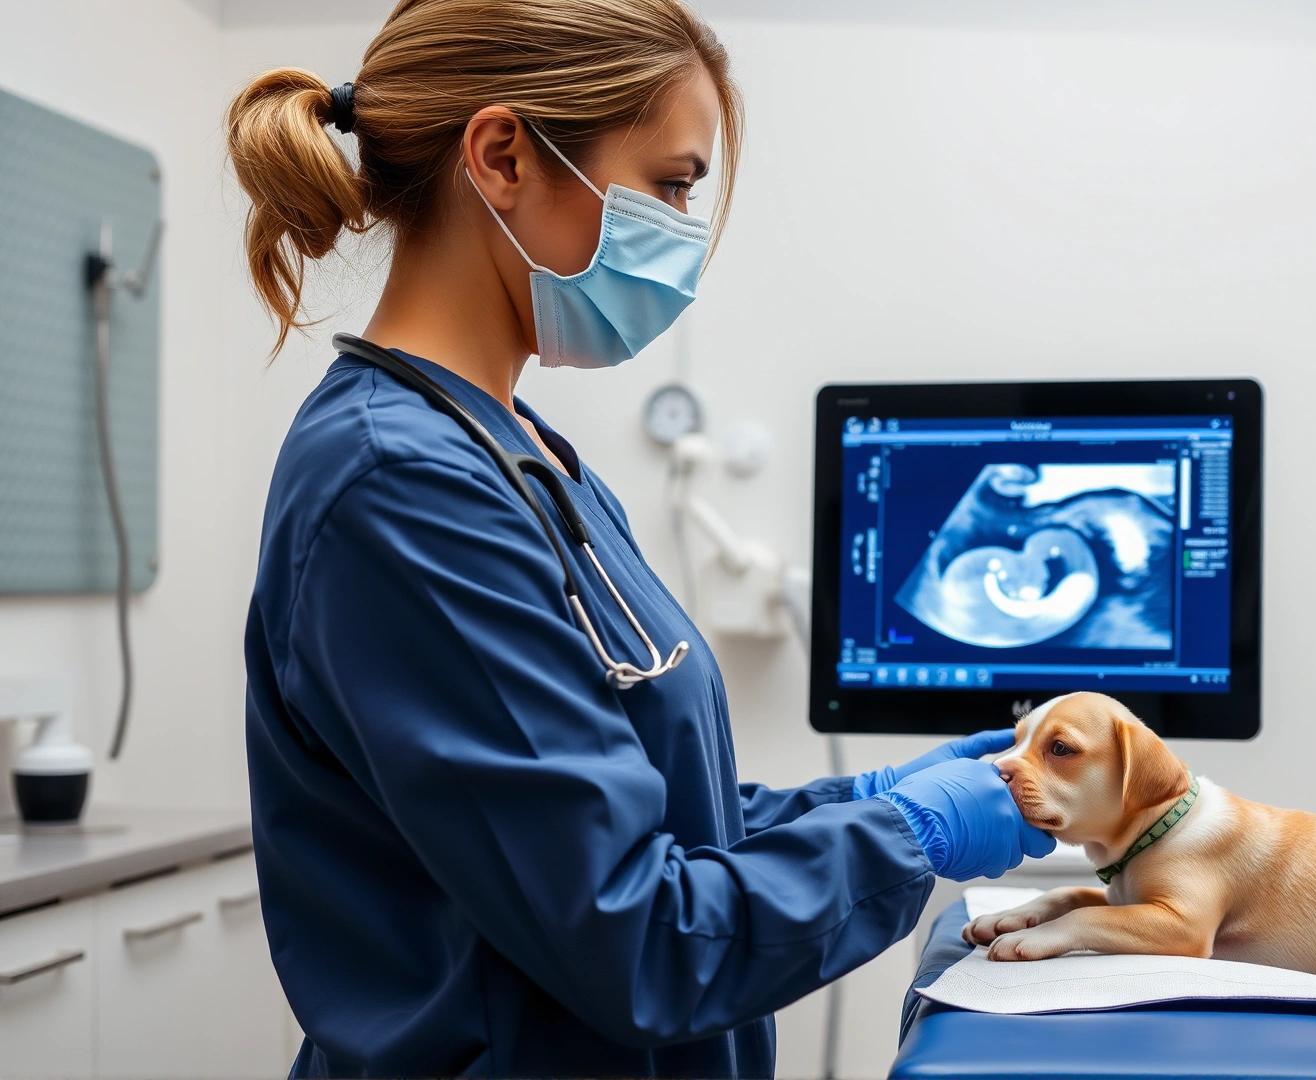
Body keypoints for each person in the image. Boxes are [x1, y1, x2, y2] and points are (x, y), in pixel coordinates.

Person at [230, 2, 1053, 1076]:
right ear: (501, 154)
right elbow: (636, 936)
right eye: (671, 185)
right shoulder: (400, 485)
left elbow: (642, 811)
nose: (684, 235)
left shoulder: (524, 455)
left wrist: (864, 800)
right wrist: (913, 840)